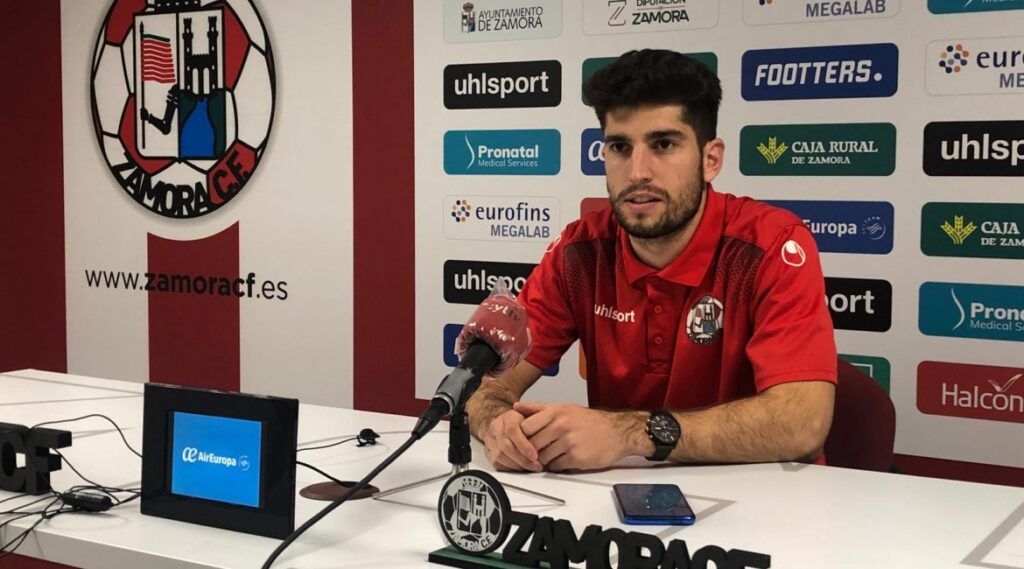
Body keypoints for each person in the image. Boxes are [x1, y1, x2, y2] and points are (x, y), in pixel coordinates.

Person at [466, 49, 837, 473]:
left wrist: (628, 434)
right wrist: (498, 424)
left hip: (768, 506)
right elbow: (482, 382)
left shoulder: (771, 245)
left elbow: (804, 423)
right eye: (620, 147)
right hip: (619, 506)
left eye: (663, 144)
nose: (638, 171)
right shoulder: (579, 251)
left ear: (710, 159)